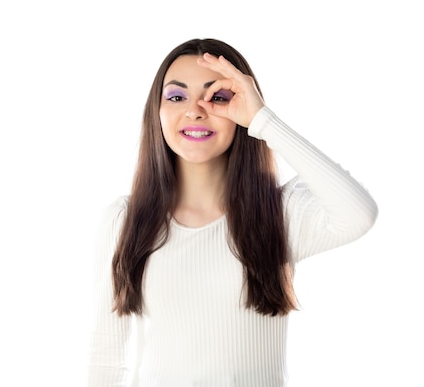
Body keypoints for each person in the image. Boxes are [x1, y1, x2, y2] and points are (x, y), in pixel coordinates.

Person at [87, 38, 378, 387]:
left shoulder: (280, 214)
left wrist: (262, 119)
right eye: (177, 97)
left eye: (218, 98)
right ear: (157, 112)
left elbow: (358, 214)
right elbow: (107, 355)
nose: (195, 110)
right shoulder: (123, 220)